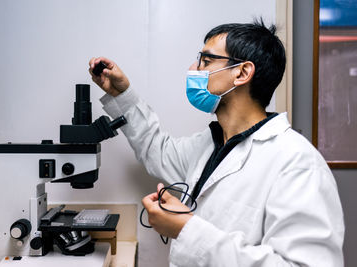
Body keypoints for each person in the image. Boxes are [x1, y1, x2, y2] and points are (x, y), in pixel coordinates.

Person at [89, 20, 344, 267]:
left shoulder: (297, 163)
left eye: (206, 60)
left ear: (242, 72)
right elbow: (158, 151)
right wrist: (121, 94)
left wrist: (187, 230)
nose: (193, 68)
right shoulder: (211, 144)